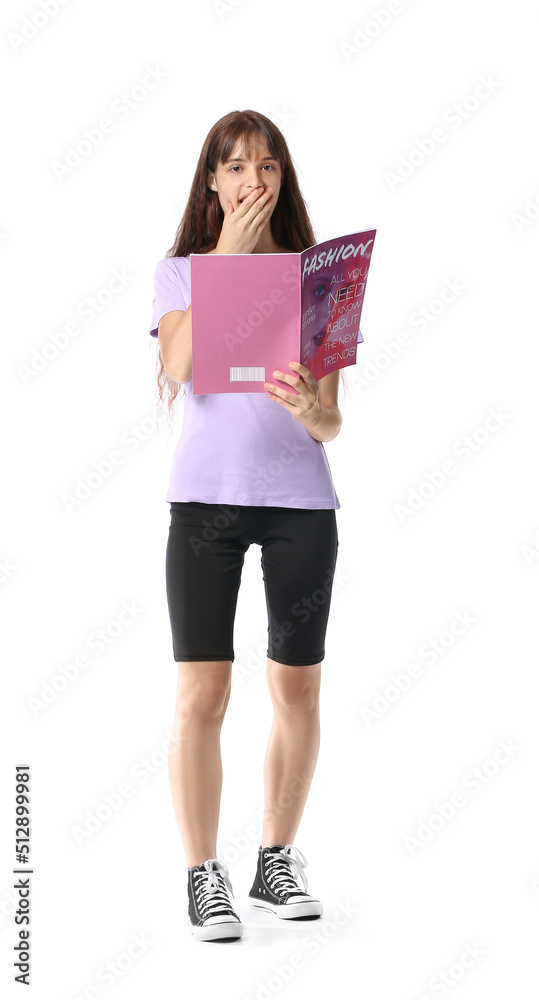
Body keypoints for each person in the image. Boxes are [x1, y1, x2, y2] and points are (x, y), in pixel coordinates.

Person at [149, 110, 344, 943]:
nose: (252, 181)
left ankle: (274, 858)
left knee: (295, 687)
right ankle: (203, 875)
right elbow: (180, 365)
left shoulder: (320, 278)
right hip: (206, 504)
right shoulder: (179, 272)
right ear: (212, 182)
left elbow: (329, 422)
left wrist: (311, 407)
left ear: (282, 178)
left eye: (266, 166)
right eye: (235, 167)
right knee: (203, 693)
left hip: (301, 500)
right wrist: (224, 258)